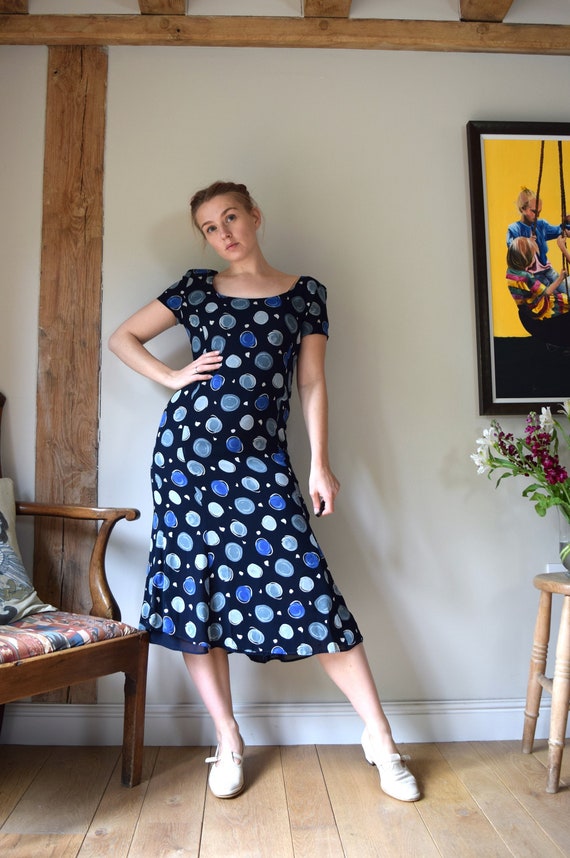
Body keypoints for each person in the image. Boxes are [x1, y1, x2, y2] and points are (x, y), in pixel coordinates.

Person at [109, 180, 419, 803]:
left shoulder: (305, 294)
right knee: (195, 595)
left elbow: (311, 383)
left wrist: (320, 464)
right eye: (210, 226)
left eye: (230, 217)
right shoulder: (196, 288)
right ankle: (227, 739)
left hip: (261, 462)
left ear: (254, 215)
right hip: (187, 461)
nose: (223, 232)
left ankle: (381, 739)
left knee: (309, 586)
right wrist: (172, 376)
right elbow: (122, 338)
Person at [506, 235, 570, 345]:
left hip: (528, 308)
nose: (534, 260)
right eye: (532, 257)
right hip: (540, 308)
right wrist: (560, 278)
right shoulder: (527, 277)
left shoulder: (510, 273)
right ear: (525, 260)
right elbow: (547, 292)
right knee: (565, 301)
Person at [506, 187, 567, 286]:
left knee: (565, 290)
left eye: (539, 212)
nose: (537, 215)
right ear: (523, 209)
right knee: (549, 293)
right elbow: (513, 250)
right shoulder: (514, 229)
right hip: (532, 276)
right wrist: (527, 243)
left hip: (547, 269)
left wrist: (566, 224)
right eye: (534, 212)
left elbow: (559, 230)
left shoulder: (541, 225)